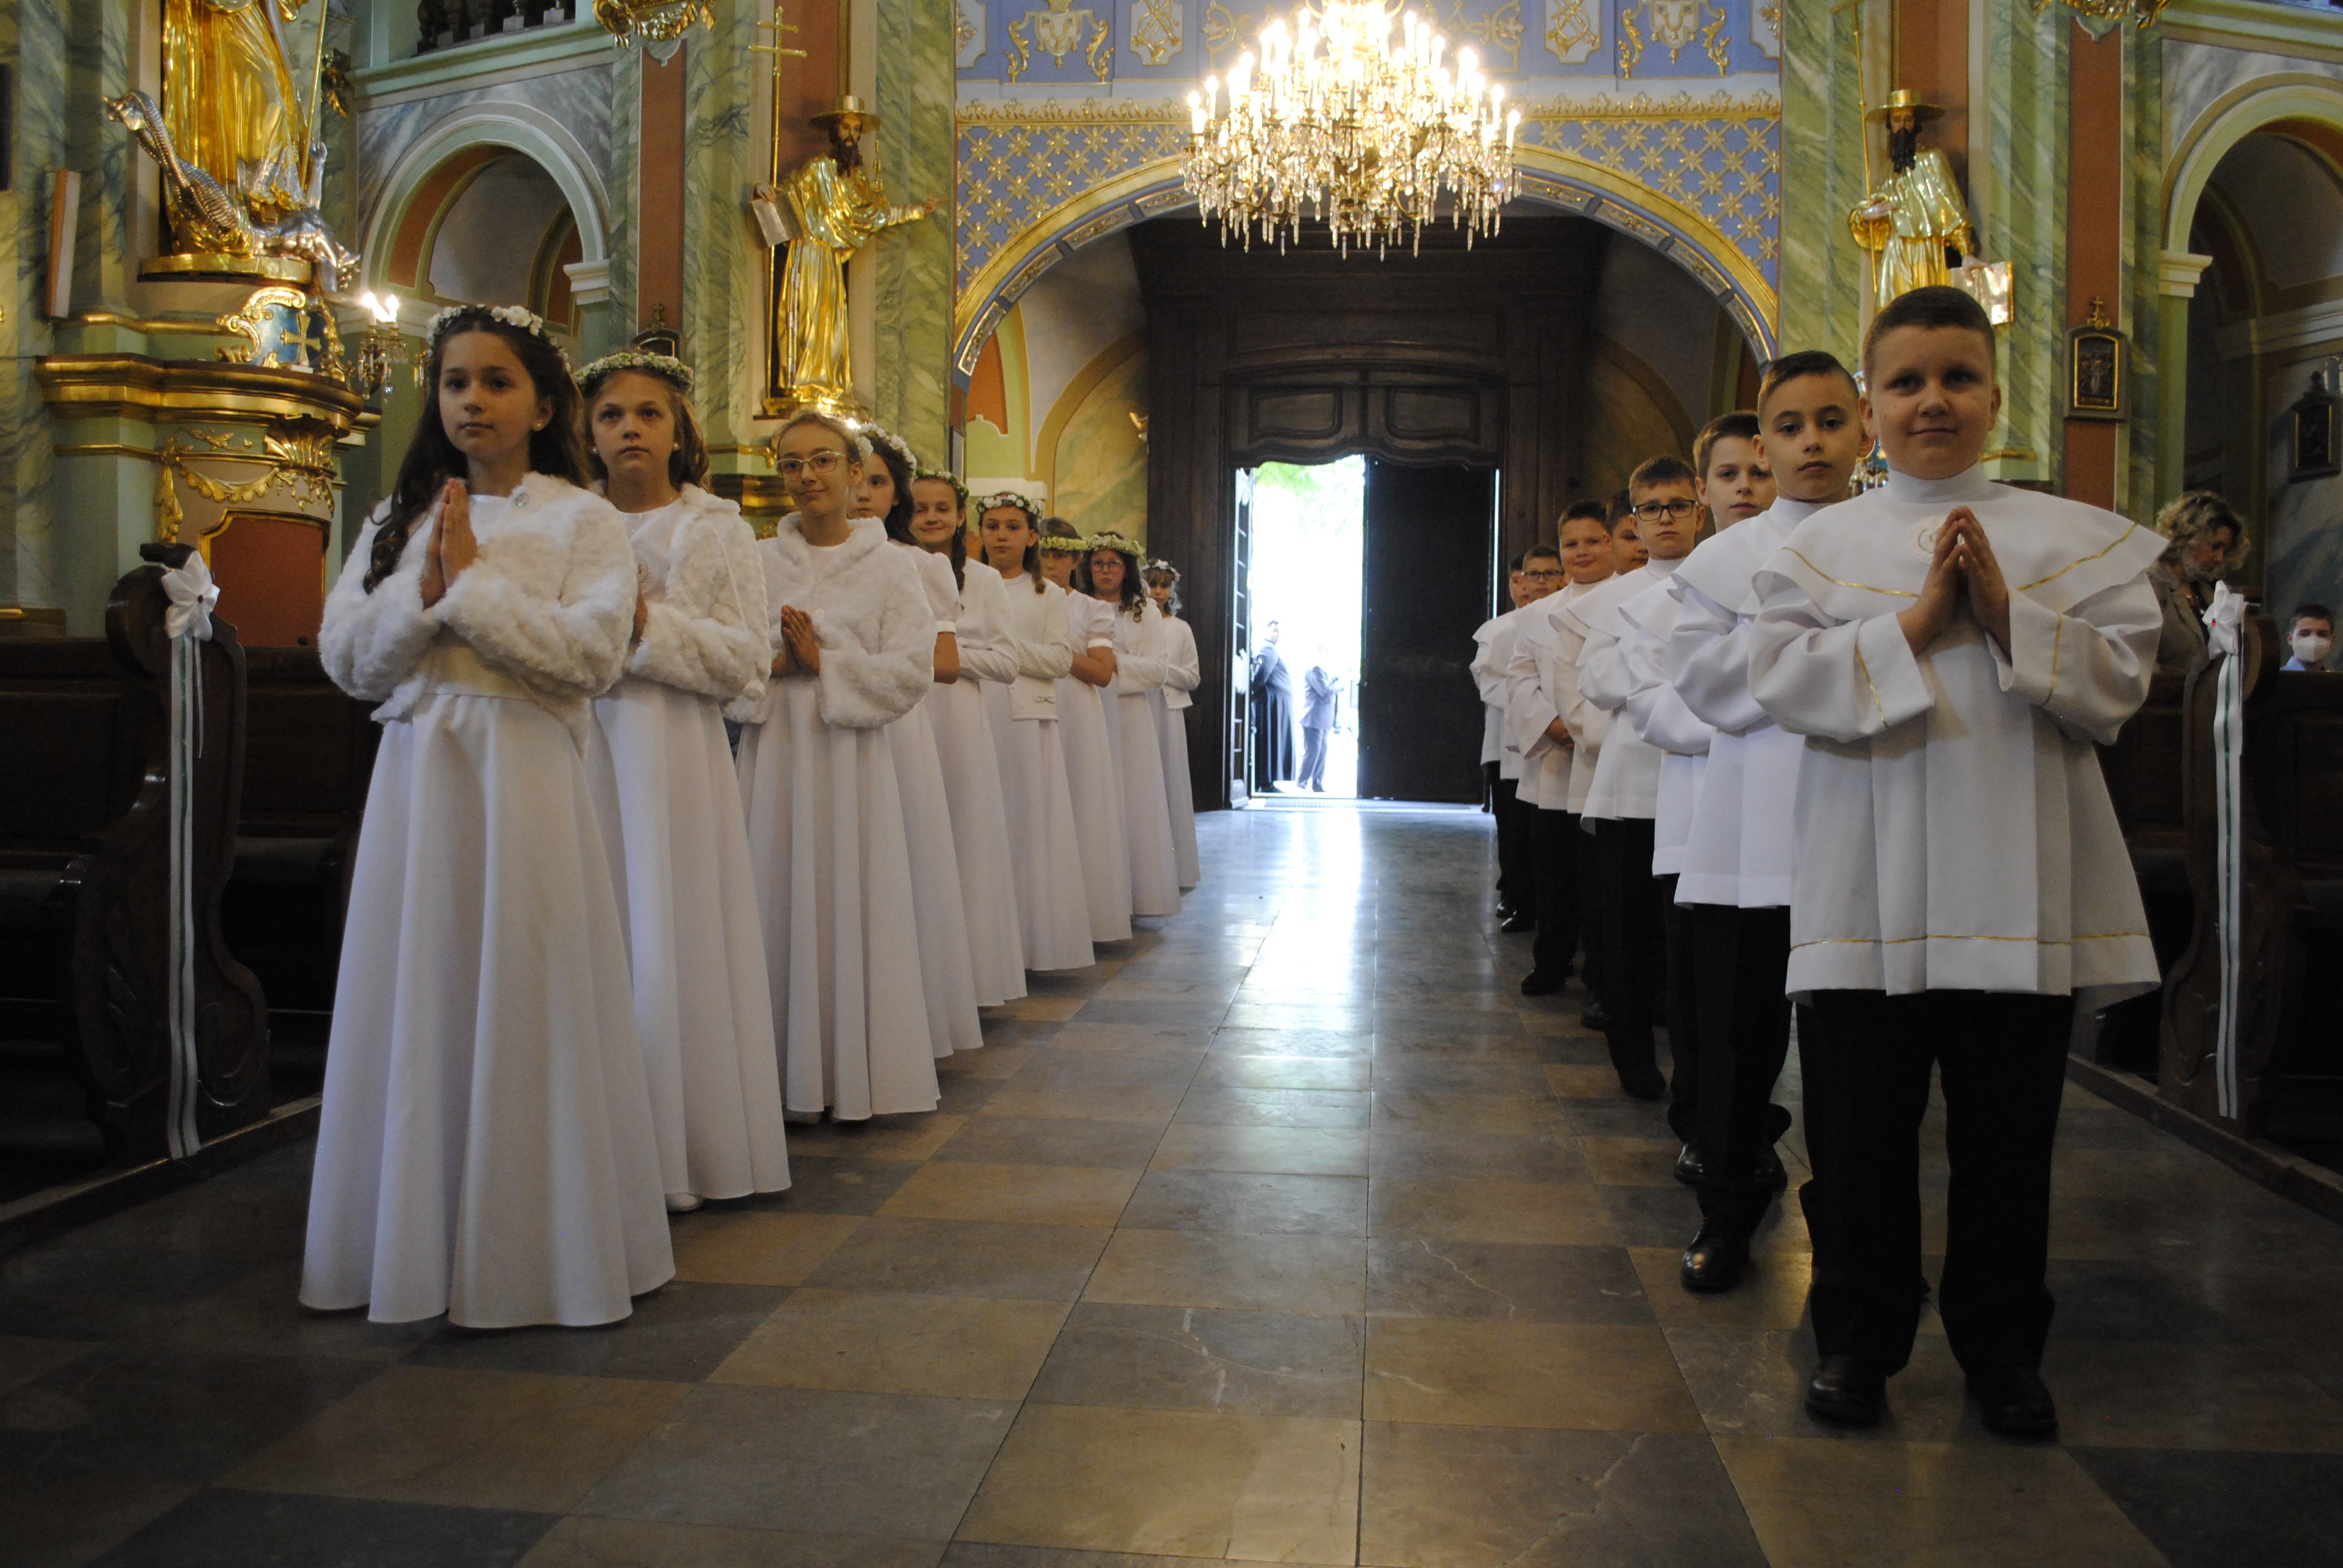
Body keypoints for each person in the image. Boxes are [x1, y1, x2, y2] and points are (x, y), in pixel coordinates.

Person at [1749, 286, 2164, 1437]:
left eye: (1956, 377)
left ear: (1994, 394)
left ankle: (2001, 1351)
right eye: (1906, 382)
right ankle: (1856, 1343)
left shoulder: (2066, 538)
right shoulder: (1818, 546)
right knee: (1857, 1131)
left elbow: (2119, 686)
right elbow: (1783, 684)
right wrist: (1916, 625)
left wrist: (2007, 613)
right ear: (1872, 407)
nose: (1932, 400)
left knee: (2006, 1136)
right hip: (1861, 880)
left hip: (2015, 879)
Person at [303, 304, 672, 1328]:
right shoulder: (396, 517)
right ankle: (408, 1242)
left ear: (543, 403)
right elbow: (347, 661)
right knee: (421, 984)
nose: (473, 399)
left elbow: (591, 659)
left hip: (526, 777)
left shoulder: (580, 519)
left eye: (497, 381)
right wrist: (419, 592)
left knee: (528, 987)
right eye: (456, 381)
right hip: (423, 776)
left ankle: (537, 1252)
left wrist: (466, 590)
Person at [1663, 354, 1869, 1293]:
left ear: (1863, 430)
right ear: (1763, 445)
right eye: (1790, 428)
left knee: (1860, 1060)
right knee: (1739, 1043)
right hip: (1746, 833)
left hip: (1866, 828)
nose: (1811, 443)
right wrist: (1800, 638)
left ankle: (1860, 1240)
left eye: (1832, 421)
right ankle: (1728, 1212)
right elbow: (1706, 689)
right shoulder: (1723, 561)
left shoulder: (1892, 540)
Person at [577, 349, 790, 1215]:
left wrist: (644, 627)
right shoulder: (565, 523)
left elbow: (746, 659)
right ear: (587, 436)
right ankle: (593, 1137)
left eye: (649, 414)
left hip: (672, 748)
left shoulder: (719, 531)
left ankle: (684, 1144)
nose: (630, 427)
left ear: (679, 432)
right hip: (580, 742)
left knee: (671, 930)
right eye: (611, 415)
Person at [736, 412, 942, 1119]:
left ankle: (855, 1073)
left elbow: (913, 670)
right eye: (790, 464)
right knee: (773, 889)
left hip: (850, 754)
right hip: (775, 753)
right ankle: (772, 1075)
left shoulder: (890, 565)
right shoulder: (759, 562)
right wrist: (774, 663)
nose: (806, 477)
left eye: (822, 461)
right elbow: (728, 665)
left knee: (848, 895)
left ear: (856, 472)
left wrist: (828, 664)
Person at [1610, 415, 1775, 1174]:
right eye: (1730, 473)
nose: (1747, 486)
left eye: (1759, 472)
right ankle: (1705, 1129)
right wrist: (1782, 707)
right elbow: (1661, 712)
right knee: (1710, 999)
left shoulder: (1822, 568)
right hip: (1703, 814)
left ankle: (1755, 1130)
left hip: (1797, 815)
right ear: (1708, 488)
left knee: (1780, 1004)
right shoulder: (1653, 604)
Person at [1569, 457, 1706, 1103]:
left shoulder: (1724, 578)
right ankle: (1631, 1056)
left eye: (1677, 505)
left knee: (1691, 944)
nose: (1664, 519)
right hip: (1633, 785)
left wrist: (1657, 672)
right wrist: (1676, 676)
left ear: (1698, 510)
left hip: (1707, 788)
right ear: (1633, 519)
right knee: (1626, 934)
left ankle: (1695, 1062)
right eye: (1650, 509)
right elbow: (1594, 681)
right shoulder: (1615, 597)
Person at [857, 428, 984, 1057]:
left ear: (896, 494)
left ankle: (897, 1017)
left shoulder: (920, 564)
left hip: (894, 725)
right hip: (812, 726)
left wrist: (835, 661)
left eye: (876, 480)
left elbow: (944, 662)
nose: (859, 491)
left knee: (893, 865)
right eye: (850, 475)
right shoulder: (781, 553)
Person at [908, 470, 1030, 1003]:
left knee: (964, 842)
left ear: (961, 517)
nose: (931, 518)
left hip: (957, 717)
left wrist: (947, 659)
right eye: (920, 509)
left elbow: (1006, 661)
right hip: (905, 711)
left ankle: (970, 981)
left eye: (942, 508)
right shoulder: (893, 566)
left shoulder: (981, 580)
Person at [975, 494, 1095, 972]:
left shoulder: (1048, 594)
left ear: (1032, 537)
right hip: (975, 711)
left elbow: (1060, 659)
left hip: (1025, 719)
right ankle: (985, 945)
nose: (1001, 535)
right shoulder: (967, 584)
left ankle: (1028, 944)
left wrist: (1000, 651)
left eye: (1012, 527)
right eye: (991, 526)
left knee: (1025, 828)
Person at [1506, 506, 1613, 994]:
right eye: (1572, 544)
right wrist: (1556, 724)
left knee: (1601, 881)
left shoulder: (1630, 601)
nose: (1582, 552)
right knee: (1554, 876)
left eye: (1594, 541)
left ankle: (1601, 977)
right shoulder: (1536, 616)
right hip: (1555, 761)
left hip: (1610, 762)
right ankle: (1550, 962)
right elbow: (1521, 677)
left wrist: (1591, 727)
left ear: (1611, 543)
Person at [1082, 534, 1183, 917]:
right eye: (1098, 563)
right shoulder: (1078, 605)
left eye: (1113, 563)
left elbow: (1157, 671)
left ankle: (1135, 895)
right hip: (1088, 710)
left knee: (1132, 804)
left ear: (1125, 570)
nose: (1105, 570)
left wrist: (1108, 663)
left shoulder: (1145, 612)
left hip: (1129, 718)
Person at [1042, 524, 1133, 941]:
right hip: (1022, 703)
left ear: (1075, 560)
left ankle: (1083, 919)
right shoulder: (1007, 595)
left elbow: (1101, 671)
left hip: (1075, 712)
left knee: (1078, 808)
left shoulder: (1089, 608)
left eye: (1061, 555)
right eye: (1045, 553)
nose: (1051, 563)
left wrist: (1056, 657)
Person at [1475, 552, 1557, 924]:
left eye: (1548, 575)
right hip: (1510, 742)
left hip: (1563, 736)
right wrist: (1536, 708)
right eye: (1531, 576)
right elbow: (1492, 683)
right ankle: (1517, 896)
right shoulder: (1501, 630)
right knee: (1514, 828)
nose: (1538, 584)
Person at [1145, 560, 1203, 890]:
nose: (1157, 592)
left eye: (1163, 586)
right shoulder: (1135, 622)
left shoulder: (1180, 629)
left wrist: (1160, 669)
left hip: (1168, 711)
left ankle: (1176, 866)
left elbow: (1192, 677)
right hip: (1140, 706)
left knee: (1171, 781)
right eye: (1152, 584)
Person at [2146, 491, 2244, 676]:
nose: (2219, 558)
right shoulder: (2151, 586)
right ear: (2186, 538)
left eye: (2225, 550)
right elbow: (2141, 662)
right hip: (2163, 701)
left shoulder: (2208, 593)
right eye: (2215, 547)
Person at [1249, 619, 1297, 790]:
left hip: (1273, 703)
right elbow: (1262, 674)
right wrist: (1252, 691)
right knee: (1269, 741)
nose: (1277, 634)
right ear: (1265, 631)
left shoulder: (1269, 649)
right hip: (1270, 704)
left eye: (1279, 632)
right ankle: (1265, 781)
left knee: (1271, 741)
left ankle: (1266, 780)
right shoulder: (1268, 649)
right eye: (1274, 630)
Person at [1299, 648, 1340, 792]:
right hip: (1313, 719)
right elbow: (1325, 691)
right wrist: (1341, 686)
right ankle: (1301, 783)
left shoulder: (1322, 670)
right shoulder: (1315, 669)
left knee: (1321, 752)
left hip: (1322, 720)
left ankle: (1317, 783)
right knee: (1313, 752)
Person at [2285, 604, 2335, 671]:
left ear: (2332, 640)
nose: (2313, 640)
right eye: (2304, 634)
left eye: (2322, 635)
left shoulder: (2336, 680)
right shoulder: (2274, 680)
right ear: (2290, 639)